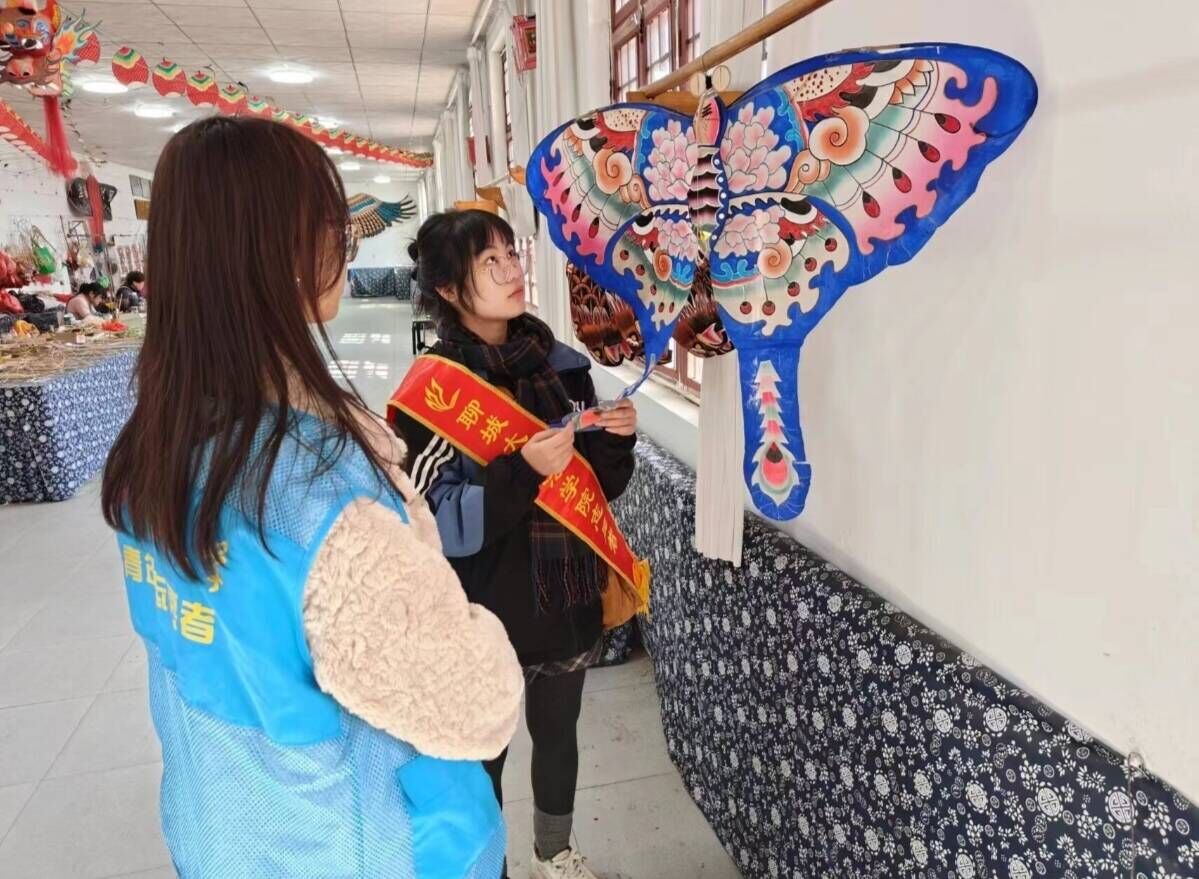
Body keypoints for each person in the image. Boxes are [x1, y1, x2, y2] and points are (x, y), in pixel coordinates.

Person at [101, 118, 522, 879]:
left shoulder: (150, 451)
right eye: (332, 228)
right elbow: (470, 699)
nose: (344, 247)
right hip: (367, 845)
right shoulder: (320, 487)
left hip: (224, 832)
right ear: (276, 251)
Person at [391, 210, 639, 879]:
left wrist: (616, 441)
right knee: (484, 755)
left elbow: (599, 490)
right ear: (448, 289)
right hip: (484, 611)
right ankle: (488, 865)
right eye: (489, 262)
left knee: (558, 735)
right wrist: (522, 471)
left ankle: (554, 854)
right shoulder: (433, 392)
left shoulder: (564, 368)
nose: (511, 271)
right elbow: (435, 520)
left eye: (511, 254)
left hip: (565, 595)